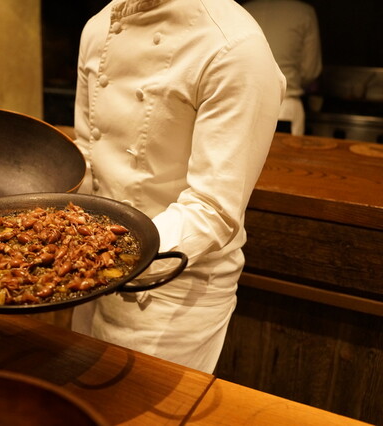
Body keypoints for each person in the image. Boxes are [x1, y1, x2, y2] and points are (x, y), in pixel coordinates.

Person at [70, 0, 285, 374]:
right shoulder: (99, 26)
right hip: (88, 272)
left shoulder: (234, 47)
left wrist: (105, 258)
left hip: (171, 291)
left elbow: (212, 208)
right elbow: (88, 154)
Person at [242, 0, 323, 135]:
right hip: (284, 108)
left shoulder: (244, 10)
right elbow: (310, 72)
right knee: (285, 149)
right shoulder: (304, 13)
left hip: (245, 105)